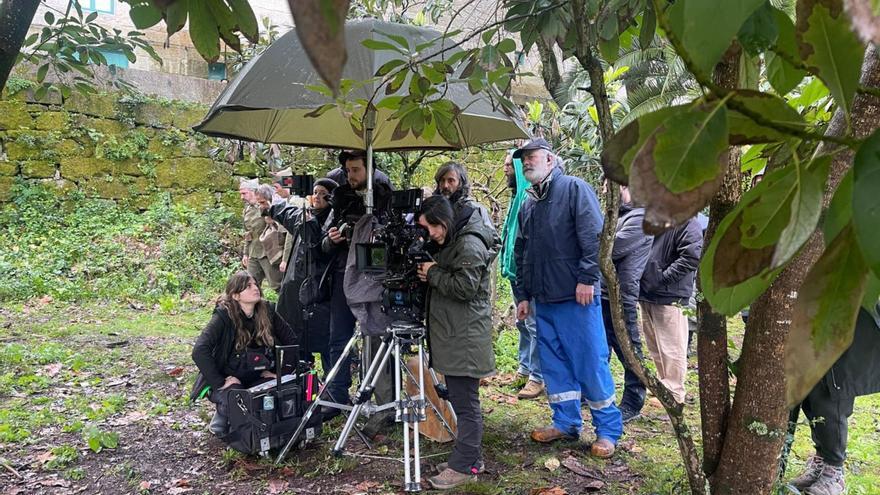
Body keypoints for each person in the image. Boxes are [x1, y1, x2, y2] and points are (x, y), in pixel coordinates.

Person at [513, 138, 623, 458]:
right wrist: (523, 295)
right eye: (523, 159)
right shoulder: (528, 203)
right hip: (543, 300)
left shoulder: (574, 189)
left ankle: (607, 431)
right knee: (554, 365)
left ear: (550, 159)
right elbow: (522, 253)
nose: (527, 163)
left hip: (578, 297)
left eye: (532, 157)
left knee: (590, 362)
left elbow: (595, 236)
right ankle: (565, 423)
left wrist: (588, 278)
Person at [415, 195, 497, 490]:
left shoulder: (469, 243)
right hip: (456, 332)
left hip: (465, 336)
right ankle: (468, 455)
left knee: (466, 404)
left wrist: (433, 272)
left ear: (443, 222)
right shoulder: (453, 240)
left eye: (429, 228)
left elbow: (465, 287)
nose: (429, 235)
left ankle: (466, 465)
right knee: (461, 399)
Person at [320, 150, 393, 419]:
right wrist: (333, 238)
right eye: (348, 171)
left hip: (374, 277)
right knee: (338, 336)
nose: (350, 176)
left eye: (356, 170)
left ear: (370, 169)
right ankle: (338, 397)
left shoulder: (386, 195)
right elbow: (323, 242)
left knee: (377, 338)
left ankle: (382, 401)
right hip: (342, 273)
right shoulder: (340, 197)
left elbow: (393, 235)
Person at [191, 271, 298, 436]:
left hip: (257, 375)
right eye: (248, 286)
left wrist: (281, 374)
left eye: (255, 284)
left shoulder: (267, 311)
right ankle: (223, 415)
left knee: (276, 396)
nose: (255, 288)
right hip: (230, 378)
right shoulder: (223, 316)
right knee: (237, 400)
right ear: (235, 295)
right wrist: (219, 382)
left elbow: (291, 339)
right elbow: (200, 350)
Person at [789, 304, 880, 495]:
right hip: (818, 325)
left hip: (847, 327)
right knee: (812, 398)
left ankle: (834, 472)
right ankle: (821, 462)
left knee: (832, 400)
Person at [267, 178, 338, 371]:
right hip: (295, 288)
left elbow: (320, 247)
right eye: (315, 192)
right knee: (295, 339)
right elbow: (287, 214)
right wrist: (270, 206)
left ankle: (330, 390)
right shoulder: (304, 216)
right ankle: (298, 386)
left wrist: (312, 226)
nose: (317, 197)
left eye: (324, 194)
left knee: (327, 343)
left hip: (322, 292)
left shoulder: (333, 222)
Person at [601, 183, 652, 423]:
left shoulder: (641, 217)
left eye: (608, 187)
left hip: (622, 296)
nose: (604, 192)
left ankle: (633, 401)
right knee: (602, 347)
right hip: (603, 293)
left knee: (629, 348)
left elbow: (613, 248)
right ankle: (599, 393)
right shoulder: (619, 216)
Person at [638, 216, 703, 404]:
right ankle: (664, 385)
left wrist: (662, 278)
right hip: (648, 292)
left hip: (670, 295)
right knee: (655, 345)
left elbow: (691, 257)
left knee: (672, 347)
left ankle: (674, 393)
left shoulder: (688, 222)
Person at [499, 152, 544, 400]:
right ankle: (524, 369)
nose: (505, 169)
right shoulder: (517, 198)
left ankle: (537, 377)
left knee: (534, 325)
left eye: (509, 165)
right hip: (514, 272)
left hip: (527, 273)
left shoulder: (528, 199)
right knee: (522, 323)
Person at [241, 180, 282, 291]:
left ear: (253, 191)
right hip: (254, 252)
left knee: (277, 285)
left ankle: (286, 307)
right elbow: (248, 233)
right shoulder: (247, 209)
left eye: (244, 193)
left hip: (269, 251)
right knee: (250, 284)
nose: (241, 197)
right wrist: (245, 253)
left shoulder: (267, 205)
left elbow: (279, 228)